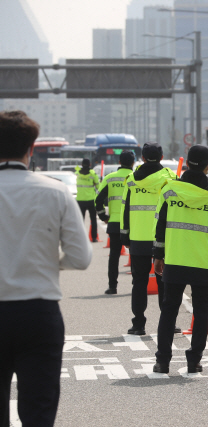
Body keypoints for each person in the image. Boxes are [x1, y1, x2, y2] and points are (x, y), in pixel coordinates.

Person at [0, 110, 92, 427]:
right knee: (38, 412)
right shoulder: (55, 191)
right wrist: (48, 264)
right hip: (38, 314)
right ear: (31, 148)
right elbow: (81, 258)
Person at [152, 145, 208, 374]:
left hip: (175, 258)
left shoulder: (169, 190)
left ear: (187, 163)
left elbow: (159, 225)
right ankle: (194, 360)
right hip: (202, 261)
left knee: (169, 310)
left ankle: (163, 361)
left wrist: (158, 255)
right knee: (201, 312)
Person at [120, 142, 176, 335]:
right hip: (162, 238)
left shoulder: (131, 179)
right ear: (161, 157)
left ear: (142, 158)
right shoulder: (169, 178)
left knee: (139, 283)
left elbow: (125, 208)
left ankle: (138, 324)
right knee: (165, 282)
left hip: (137, 237)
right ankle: (167, 323)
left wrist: (124, 234)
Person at [95, 150, 134, 295]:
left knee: (114, 256)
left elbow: (98, 200)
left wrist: (103, 216)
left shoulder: (110, 178)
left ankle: (112, 287)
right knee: (135, 256)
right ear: (133, 163)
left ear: (119, 162)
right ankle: (137, 286)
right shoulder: (136, 178)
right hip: (133, 223)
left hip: (115, 223)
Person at [75, 158, 100, 242]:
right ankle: (94, 237)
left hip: (80, 200)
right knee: (93, 220)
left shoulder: (77, 173)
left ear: (82, 164)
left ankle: (79, 238)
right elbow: (98, 187)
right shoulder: (93, 174)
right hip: (90, 200)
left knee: (80, 220)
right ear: (90, 165)